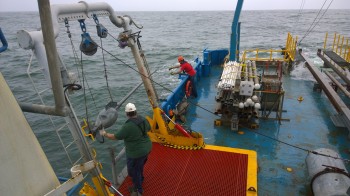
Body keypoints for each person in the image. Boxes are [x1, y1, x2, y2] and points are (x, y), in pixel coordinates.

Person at [100, 103, 152, 196]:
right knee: (139, 166)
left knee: (133, 171)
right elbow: (148, 129)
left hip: (136, 153)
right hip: (147, 148)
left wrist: (105, 134)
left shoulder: (127, 126)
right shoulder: (143, 119)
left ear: (127, 114)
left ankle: (138, 190)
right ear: (136, 111)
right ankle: (141, 178)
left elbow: (115, 137)